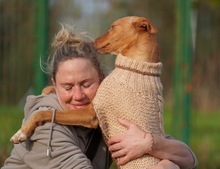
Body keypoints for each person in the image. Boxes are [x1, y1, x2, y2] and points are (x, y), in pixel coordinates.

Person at [2, 25, 197, 169]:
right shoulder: (45, 127)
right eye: (68, 87)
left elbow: (189, 160)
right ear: (54, 85)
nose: (78, 96)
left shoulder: (108, 109)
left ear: (103, 81)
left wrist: (150, 144)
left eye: (86, 84)